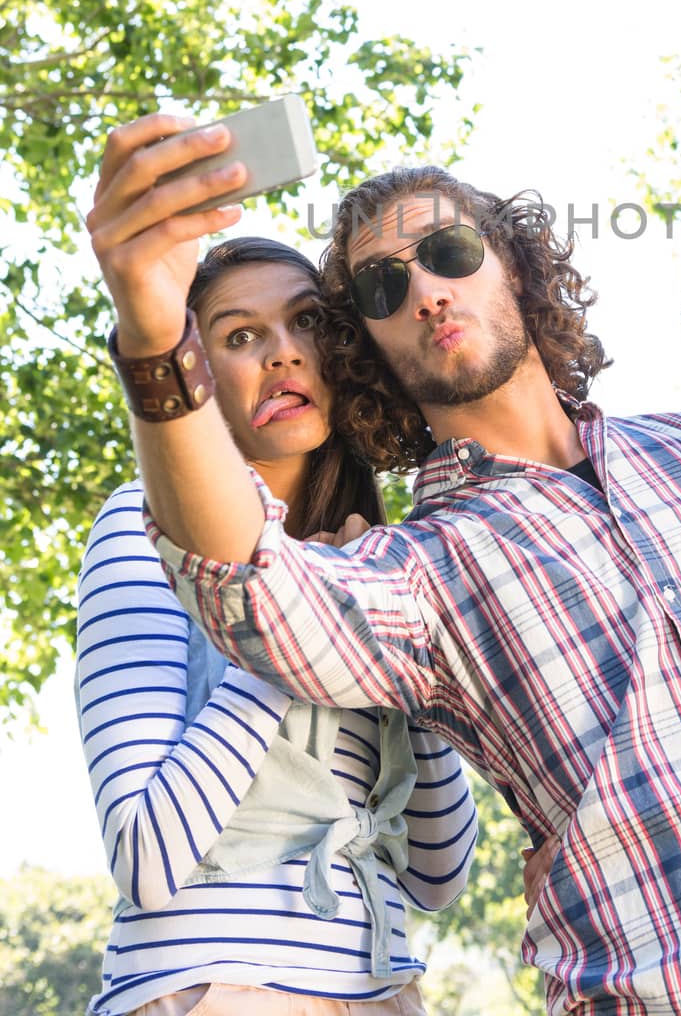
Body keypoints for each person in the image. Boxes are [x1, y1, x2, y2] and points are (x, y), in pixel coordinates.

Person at [88, 115, 681, 1015]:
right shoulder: (415, 572)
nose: (425, 289)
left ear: (509, 265)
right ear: (369, 350)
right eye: (384, 286)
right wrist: (151, 327)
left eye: (446, 251)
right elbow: (246, 583)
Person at [76, 234, 478, 1016]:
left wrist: (388, 625)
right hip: (215, 990)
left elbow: (438, 875)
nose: (284, 355)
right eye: (239, 336)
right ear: (198, 382)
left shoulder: (384, 553)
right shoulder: (143, 526)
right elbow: (145, 858)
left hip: (384, 990)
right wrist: (287, 625)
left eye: (306, 325)